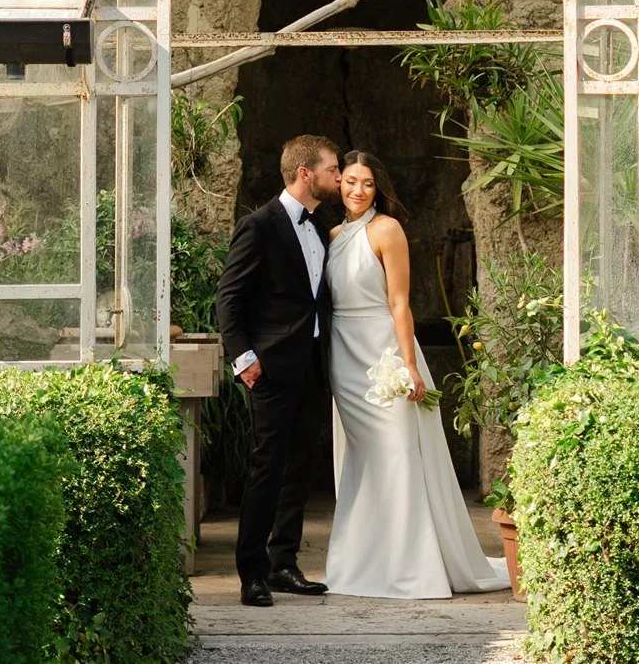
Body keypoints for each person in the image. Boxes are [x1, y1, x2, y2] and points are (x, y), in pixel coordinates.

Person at [323, 151, 510, 598]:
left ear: (378, 188)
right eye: (350, 181)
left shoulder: (387, 229)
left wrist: (409, 364)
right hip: (342, 354)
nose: (357, 190)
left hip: (384, 351)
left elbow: (399, 303)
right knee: (360, 459)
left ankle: (412, 565)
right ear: (338, 184)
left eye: (367, 183)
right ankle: (361, 563)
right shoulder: (331, 234)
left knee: (398, 453)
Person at [216, 133, 341, 607]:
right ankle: (252, 574)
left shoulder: (320, 223)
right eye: (332, 169)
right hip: (268, 369)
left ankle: (284, 563)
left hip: (312, 364)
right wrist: (245, 361)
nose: (337, 176)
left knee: (300, 467)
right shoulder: (259, 224)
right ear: (306, 173)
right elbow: (229, 298)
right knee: (266, 468)